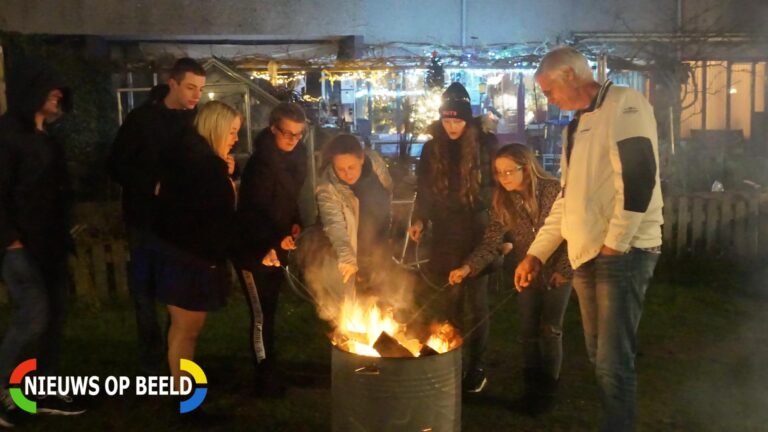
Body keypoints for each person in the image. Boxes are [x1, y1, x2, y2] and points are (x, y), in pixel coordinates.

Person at [514, 47, 663, 431]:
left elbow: (638, 179)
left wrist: (615, 245)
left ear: (569, 74)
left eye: (548, 90)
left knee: (613, 360)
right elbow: (566, 201)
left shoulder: (626, 105)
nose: (548, 99)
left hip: (622, 253)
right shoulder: (574, 128)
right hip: (588, 256)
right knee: (600, 357)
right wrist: (535, 255)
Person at [449, 143, 572, 415]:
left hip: (556, 271)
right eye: (499, 173)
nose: (503, 178)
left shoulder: (553, 191)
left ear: (526, 169)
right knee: (528, 330)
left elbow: (570, 232)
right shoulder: (503, 200)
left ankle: (547, 391)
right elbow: (492, 239)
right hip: (525, 271)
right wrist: (468, 268)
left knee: (549, 330)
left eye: (509, 172)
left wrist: (564, 269)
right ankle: (531, 391)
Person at [107, 58, 206, 376]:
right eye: (190, 87)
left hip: (180, 223)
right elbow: (115, 165)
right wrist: (151, 185)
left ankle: (173, 355)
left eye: (201, 89)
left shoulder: (195, 121)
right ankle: (151, 359)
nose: (196, 95)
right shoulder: (142, 120)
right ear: (172, 83)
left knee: (176, 292)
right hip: (145, 218)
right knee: (145, 289)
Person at [0, 56, 84, 423]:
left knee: (54, 319)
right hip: (20, 246)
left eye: (60, 92)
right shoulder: (6, 137)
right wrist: (11, 241)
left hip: (48, 245)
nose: (57, 97)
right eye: (50, 91)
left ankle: (42, 390)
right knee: (33, 317)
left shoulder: (43, 137)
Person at [408, 82, 498, 393]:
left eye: (457, 120)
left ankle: (477, 365)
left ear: (467, 120)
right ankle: (451, 357)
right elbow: (425, 188)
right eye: (446, 121)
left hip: (475, 230)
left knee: (476, 302)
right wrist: (420, 217)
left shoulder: (485, 146)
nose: (451, 126)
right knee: (449, 299)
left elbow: (494, 191)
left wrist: (497, 230)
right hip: (445, 233)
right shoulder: (433, 147)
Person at [152, 100, 240, 389]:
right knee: (187, 331)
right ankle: (186, 397)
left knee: (182, 329)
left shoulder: (187, 159)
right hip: (190, 260)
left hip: (177, 255)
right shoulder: (205, 169)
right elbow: (216, 217)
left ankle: (183, 389)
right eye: (232, 132)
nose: (235, 139)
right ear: (216, 129)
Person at [234, 102, 308, 397]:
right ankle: (264, 377)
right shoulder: (261, 164)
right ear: (272, 129)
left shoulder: (294, 159)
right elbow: (254, 213)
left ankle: (271, 367)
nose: (292, 140)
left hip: (277, 245)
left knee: (271, 311)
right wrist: (272, 244)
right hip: (252, 250)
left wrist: (295, 224)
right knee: (261, 315)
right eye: (287, 134)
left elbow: (287, 203)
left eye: (298, 135)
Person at [315, 133, 393, 294]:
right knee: (356, 296)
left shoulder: (375, 164)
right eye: (340, 169)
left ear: (362, 159)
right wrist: (347, 258)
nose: (347, 174)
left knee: (383, 292)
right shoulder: (327, 188)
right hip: (351, 245)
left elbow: (388, 188)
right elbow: (334, 225)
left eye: (351, 167)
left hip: (380, 241)